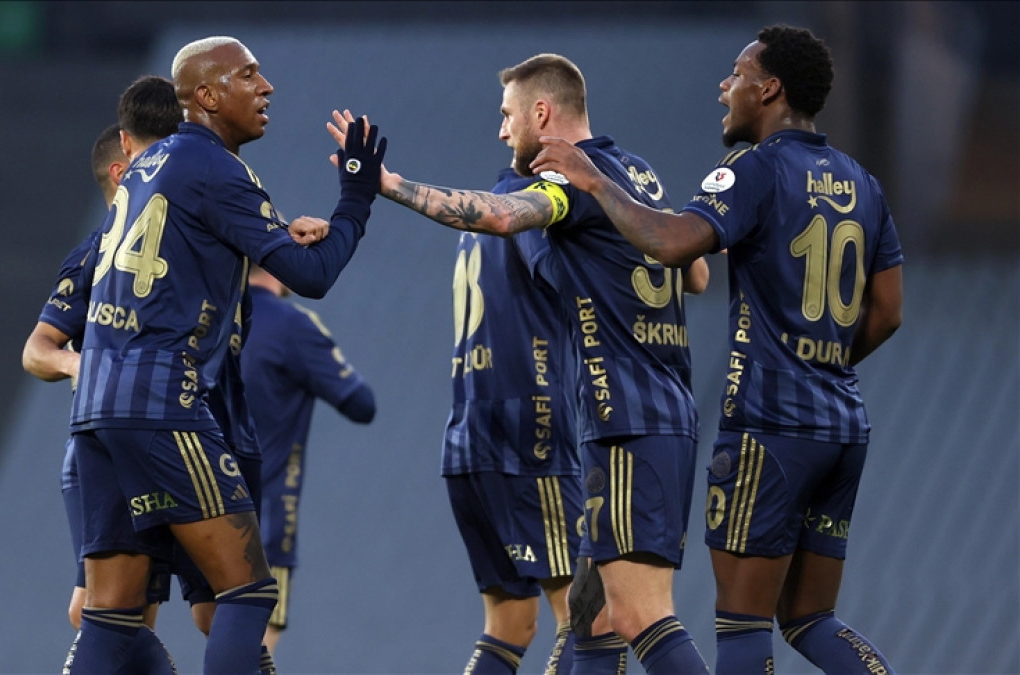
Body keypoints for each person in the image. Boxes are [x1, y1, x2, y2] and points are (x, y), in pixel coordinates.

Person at [531, 24, 903, 675]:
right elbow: (889, 311)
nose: (724, 86)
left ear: (770, 89)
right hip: (843, 426)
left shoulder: (755, 169)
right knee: (811, 618)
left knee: (742, 627)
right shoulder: (863, 183)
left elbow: (672, 244)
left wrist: (593, 181)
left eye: (738, 74)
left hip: (769, 426)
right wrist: (824, 365)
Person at [329, 52, 709, 675]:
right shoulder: (639, 176)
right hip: (636, 413)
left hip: (623, 416)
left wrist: (390, 186)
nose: (502, 130)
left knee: (638, 615)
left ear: (542, 112)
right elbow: (695, 274)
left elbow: (504, 216)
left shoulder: (567, 179)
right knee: (590, 618)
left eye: (508, 115)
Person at [63, 35, 387, 674]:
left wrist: (269, 236)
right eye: (249, 75)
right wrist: (356, 196)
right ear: (207, 97)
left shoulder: (147, 167)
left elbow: (185, 245)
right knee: (247, 591)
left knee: (111, 614)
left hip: (95, 408)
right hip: (162, 402)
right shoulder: (215, 167)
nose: (266, 87)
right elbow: (311, 276)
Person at [21, 73, 184, 635]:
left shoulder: (181, 234)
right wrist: (78, 363)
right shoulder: (95, 252)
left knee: (142, 610)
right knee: (104, 608)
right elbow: (37, 350)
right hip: (109, 449)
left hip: (166, 434)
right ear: (122, 170)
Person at [237, 264, 376, 655]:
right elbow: (361, 403)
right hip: (264, 519)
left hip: (195, 511)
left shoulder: (208, 315)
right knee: (254, 643)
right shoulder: (292, 326)